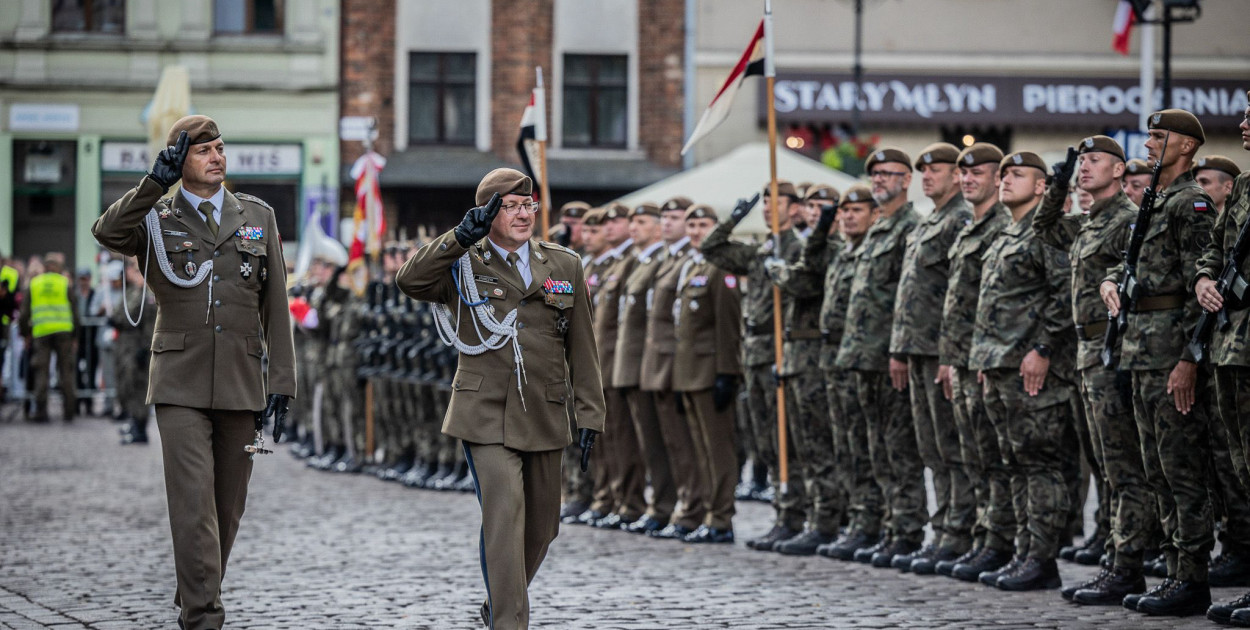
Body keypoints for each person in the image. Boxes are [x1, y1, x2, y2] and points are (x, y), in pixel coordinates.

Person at [92, 114, 295, 630]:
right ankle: (204, 616)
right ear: (179, 161)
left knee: (228, 509)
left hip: (242, 381)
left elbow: (276, 303)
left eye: (220, 148)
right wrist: (153, 183)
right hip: (179, 381)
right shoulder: (156, 215)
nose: (217, 158)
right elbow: (108, 232)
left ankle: (196, 591)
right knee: (192, 505)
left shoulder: (258, 217)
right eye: (204, 151)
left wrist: (283, 383)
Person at [396, 167, 604, 630]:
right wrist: (457, 236)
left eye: (527, 204)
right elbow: (410, 281)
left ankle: (500, 601)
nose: (523, 214)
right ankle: (509, 622)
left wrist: (591, 413)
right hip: (484, 410)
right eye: (510, 206)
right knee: (505, 514)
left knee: (543, 527)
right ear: (488, 213)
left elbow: (583, 347)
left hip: (545, 410)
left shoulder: (564, 264)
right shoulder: (464, 261)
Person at [1100, 109, 1216, 617]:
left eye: (1157, 135)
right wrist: (1109, 281)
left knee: (1181, 468)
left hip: (1171, 352)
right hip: (1141, 349)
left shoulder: (1190, 204)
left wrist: (1191, 357)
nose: (1148, 143)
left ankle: (1191, 577)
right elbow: (1128, 265)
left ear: (1186, 146)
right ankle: (1171, 571)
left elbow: (1201, 288)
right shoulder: (1155, 199)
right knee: (1156, 469)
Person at [1033, 136, 1152, 605]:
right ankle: (1115, 556)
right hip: (1087, 351)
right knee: (1106, 465)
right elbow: (1044, 227)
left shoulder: (1128, 222)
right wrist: (1059, 180)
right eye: (1081, 162)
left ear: (1120, 171)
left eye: (1094, 161)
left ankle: (1126, 567)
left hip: (1115, 350)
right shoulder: (1088, 223)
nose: (1084, 168)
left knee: (1123, 468)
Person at [969, 151, 1074, 591]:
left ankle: (1042, 559)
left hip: (1030, 367)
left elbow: (1065, 290)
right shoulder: (1006, 234)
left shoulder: (1046, 232)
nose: (1007, 180)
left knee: (1040, 464)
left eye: (1019, 175)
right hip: (998, 364)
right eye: (1006, 174)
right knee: (1013, 463)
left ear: (1043, 186)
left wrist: (1043, 348)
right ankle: (1022, 552)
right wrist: (983, 358)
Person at [701, 181, 807, 552]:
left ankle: (795, 515)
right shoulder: (763, 250)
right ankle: (783, 514)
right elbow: (711, 248)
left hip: (783, 349)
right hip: (756, 353)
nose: (768, 207)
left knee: (786, 439)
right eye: (764, 201)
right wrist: (734, 217)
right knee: (766, 442)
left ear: (796, 209)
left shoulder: (798, 247)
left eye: (777, 201)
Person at [889, 142, 975, 573]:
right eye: (923, 169)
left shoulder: (960, 217)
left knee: (950, 446)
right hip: (918, 350)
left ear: (958, 175)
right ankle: (943, 529)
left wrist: (949, 352)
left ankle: (958, 532)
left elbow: (957, 293)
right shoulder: (930, 221)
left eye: (936, 169)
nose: (927, 176)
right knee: (932, 448)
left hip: (941, 350)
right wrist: (901, 348)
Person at [836, 148, 923, 568]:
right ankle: (887, 527)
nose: (879, 180)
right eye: (875, 174)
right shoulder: (878, 229)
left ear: (907, 180)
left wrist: (899, 349)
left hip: (891, 356)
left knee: (898, 448)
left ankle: (907, 531)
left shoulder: (911, 227)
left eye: (888, 174)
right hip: (863, 355)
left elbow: (910, 298)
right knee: (875, 449)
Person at [942, 143, 1014, 582]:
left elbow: (1000, 303)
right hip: (964, 359)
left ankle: (999, 541)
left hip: (990, 358)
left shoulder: (1002, 226)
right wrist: (950, 359)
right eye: (964, 175)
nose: (969, 180)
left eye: (979, 174)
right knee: (975, 456)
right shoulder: (972, 227)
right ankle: (984, 537)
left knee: (995, 454)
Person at [1194, 93, 1250, 626]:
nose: (1242, 124)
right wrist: (1205, 277)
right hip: (1233, 345)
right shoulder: (1248, 191)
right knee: (1242, 464)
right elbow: (1215, 248)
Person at [671, 204, 742, 543]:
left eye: (704, 225)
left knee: (718, 450)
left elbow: (728, 326)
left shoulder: (720, 267)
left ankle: (721, 518)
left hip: (711, 372)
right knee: (700, 450)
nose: (697, 231)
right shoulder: (691, 265)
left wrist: (727, 373)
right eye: (693, 225)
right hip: (688, 372)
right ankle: (707, 513)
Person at [612, 202, 677, 534]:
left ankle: (663, 506)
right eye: (632, 222)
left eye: (641, 222)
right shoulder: (637, 264)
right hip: (628, 365)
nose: (633, 227)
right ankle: (644, 504)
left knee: (657, 443)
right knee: (636, 442)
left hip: (646, 365)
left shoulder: (659, 263)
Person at [19, 253, 78, 423]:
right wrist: (76, 336)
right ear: (59, 268)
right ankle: (69, 411)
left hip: (41, 333)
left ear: (44, 267)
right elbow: (75, 312)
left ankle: (41, 411)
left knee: (41, 373)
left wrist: (26, 334)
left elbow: (24, 314)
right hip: (64, 332)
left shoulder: (34, 284)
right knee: (66, 372)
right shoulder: (64, 283)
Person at [112, 259, 156, 444]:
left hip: (139, 346)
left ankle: (140, 428)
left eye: (136, 271)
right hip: (128, 345)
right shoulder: (134, 291)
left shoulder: (149, 295)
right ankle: (134, 422)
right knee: (127, 386)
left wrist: (144, 349)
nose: (131, 274)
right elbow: (119, 314)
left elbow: (149, 326)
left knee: (139, 388)